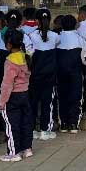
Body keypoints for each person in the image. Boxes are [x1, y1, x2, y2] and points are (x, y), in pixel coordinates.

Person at [0, 27, 33, 160]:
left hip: (12, 97)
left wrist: (2, 102)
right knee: (25, 122)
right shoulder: (25, 57)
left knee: (12, 125)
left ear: (8, 44)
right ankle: (27, 148)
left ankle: (14, 153)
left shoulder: (10, 61)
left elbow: (7, 84)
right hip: (25, 94)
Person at [26, 9, 59, 140]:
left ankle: (33, 129)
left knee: (33, 103)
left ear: (36, 21)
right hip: (50, 76)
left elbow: (29, 54)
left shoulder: (30, 36)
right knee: (48, 103)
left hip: (34, 75)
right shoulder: (55, 36)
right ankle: (46, 130)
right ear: (49, 20)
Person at [56, 15, 86, 133]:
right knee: (76, 96)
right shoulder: (80, 39)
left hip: (61, 72)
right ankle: (74, 123)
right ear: (75, 25)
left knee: (62, 96)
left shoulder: (57, 38)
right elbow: (84, 57)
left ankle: (63, 123)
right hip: (76, 72)